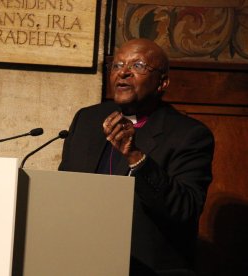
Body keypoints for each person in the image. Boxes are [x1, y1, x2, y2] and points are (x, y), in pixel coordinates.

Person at [59, 38, 214, 276]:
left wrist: (136, 157)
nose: (123, 73)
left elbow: (186, 209)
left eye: (138, 66)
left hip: (145, 268)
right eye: (118, 65)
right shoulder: (88, 120)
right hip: (82, 260)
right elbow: (65, 189)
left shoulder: (189, 135)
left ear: (162, 82)